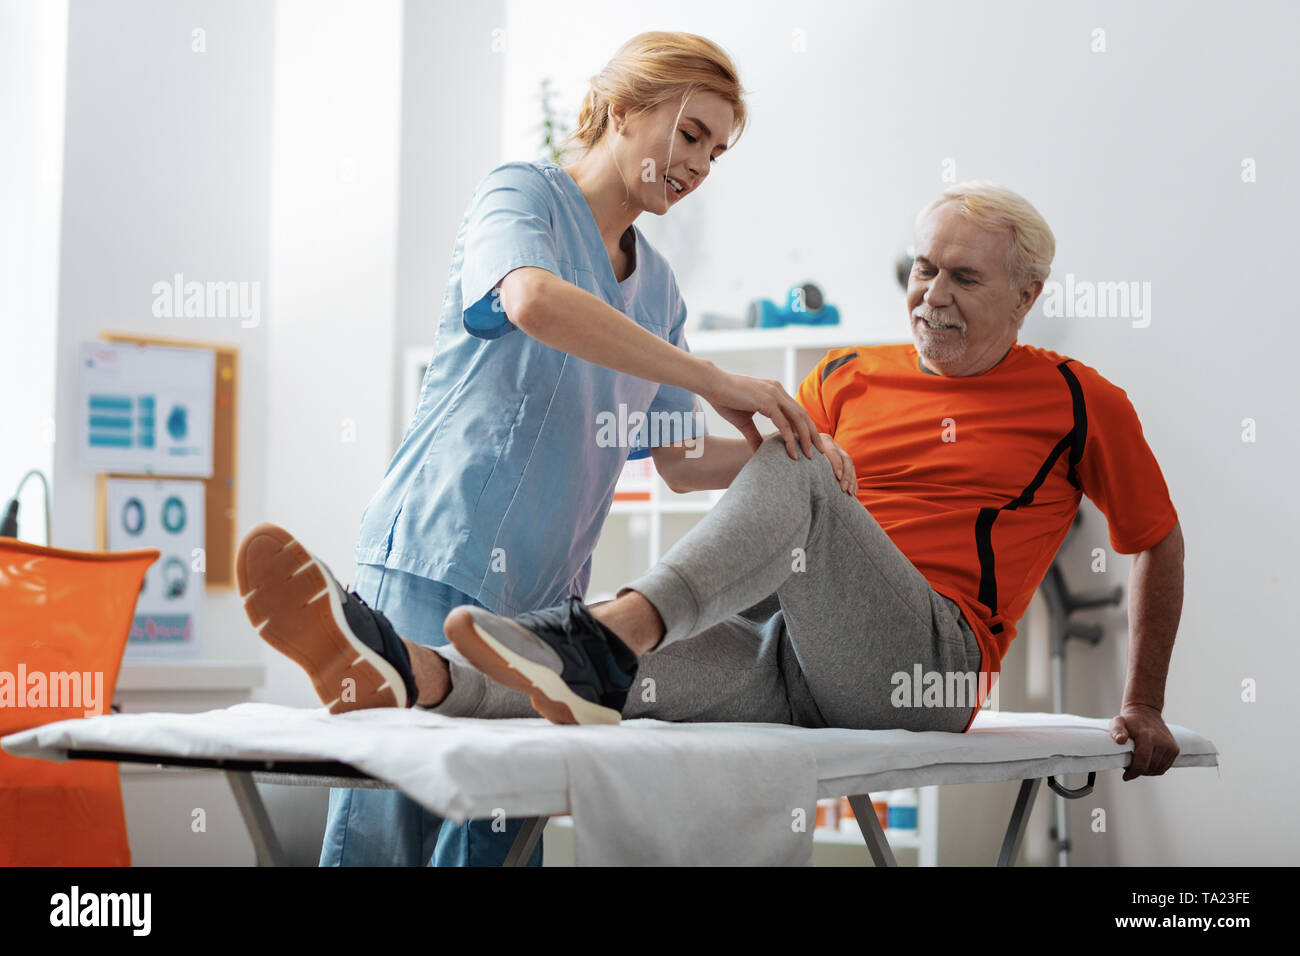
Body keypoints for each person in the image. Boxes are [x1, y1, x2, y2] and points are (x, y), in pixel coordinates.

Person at [244, 181, 1186, 794]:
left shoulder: (1076, 398)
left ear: (1026, 295)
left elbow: (1157, 540)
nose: (932, 293)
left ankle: (618, 626)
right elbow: (725, 481)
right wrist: (646, 413)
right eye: (924, 269)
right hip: (791, 660)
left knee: (799, 471)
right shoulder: (851, 372)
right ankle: (410, 671)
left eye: (965, 278)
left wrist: (1143, 704)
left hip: (926, 666)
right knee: (565, 677)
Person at [236, 32, 848, 868]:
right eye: (691, 133)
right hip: (433, 555)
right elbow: (530, 300)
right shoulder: (521, 194)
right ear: (627, 108)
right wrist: (716, 378)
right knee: (387, 835)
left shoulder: (659, 287)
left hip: (537, 615)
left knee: (495, 838)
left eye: (717, 150)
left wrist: (795, 456)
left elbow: (674, 458)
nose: (700, 164)